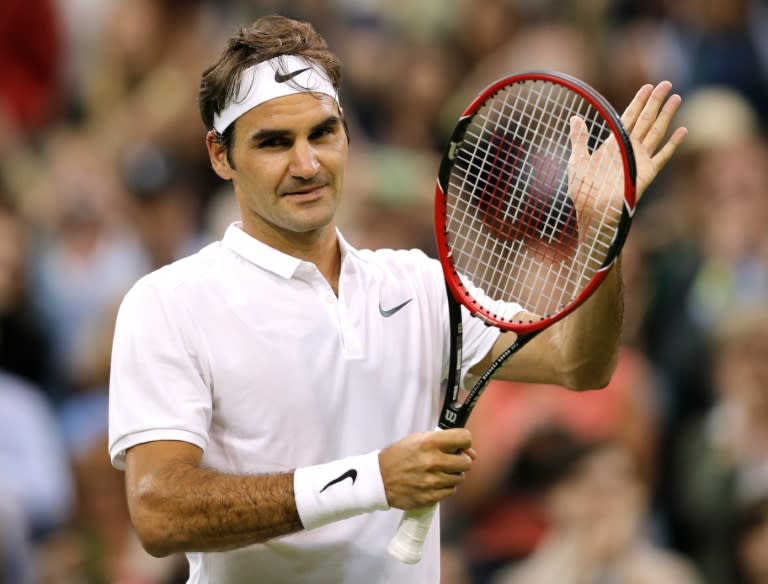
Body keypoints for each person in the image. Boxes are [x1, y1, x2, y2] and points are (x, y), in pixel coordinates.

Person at [107, 14, 687, 584]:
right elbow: (159, 512)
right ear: (219, 154)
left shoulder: (419, 285)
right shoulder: (168, 302)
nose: (307, 164)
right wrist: (372, 481)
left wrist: (601, 235)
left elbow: (578, 364)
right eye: (275, 142)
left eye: (323, 133)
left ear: (347, 135)